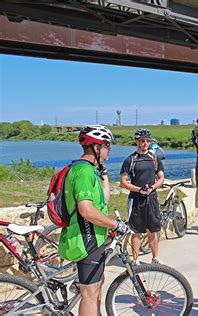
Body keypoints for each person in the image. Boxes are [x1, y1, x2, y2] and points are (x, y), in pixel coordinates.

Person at [58, 125, 127, 316]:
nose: (109, 150)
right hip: (86, 238)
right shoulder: (83, 172)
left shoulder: (89, 170)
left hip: (92, 238)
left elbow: (103, 200)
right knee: (89, 292)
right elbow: (86, 210)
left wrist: (103, 173)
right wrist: (114, 224)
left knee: (97, 285)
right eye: (107, 146)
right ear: (97, 147)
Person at [120, 128, 165, 265]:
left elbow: (161, 178)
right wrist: (139, 190)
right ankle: (135, 260)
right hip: (136, 199)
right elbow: (123, 182)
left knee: (153, 230)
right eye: (142, 141)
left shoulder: (154, 159)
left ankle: (155, 258)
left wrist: (152, 188)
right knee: (137, 231)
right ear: (137, 142)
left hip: (151, 198)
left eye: (148, 141)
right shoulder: (130, 160)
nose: (145, 143)